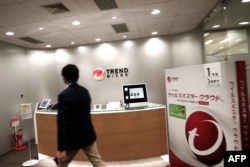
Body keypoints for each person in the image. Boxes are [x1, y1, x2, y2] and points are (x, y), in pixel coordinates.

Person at [55, 64, 106, 167]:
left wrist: (61, 149)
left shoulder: (64, 95)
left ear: (64, 77)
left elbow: (62, 124)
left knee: (60, 164)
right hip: (87, 135)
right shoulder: (84, 91)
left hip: (72, 139)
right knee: (98, 162)